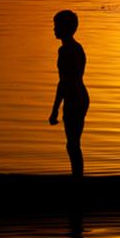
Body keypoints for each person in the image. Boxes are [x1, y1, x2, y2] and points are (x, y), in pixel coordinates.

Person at [49, 10, 89, 178]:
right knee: (73, 143)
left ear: (66, 28)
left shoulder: (68, 51)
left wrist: (54, 110)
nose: (54, 29)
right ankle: (77, 177)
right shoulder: (72, 48)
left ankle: (77, 180)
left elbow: (65, 82)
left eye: (56, 26)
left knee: (73, 144)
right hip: (78, 96)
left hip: (75, 98)